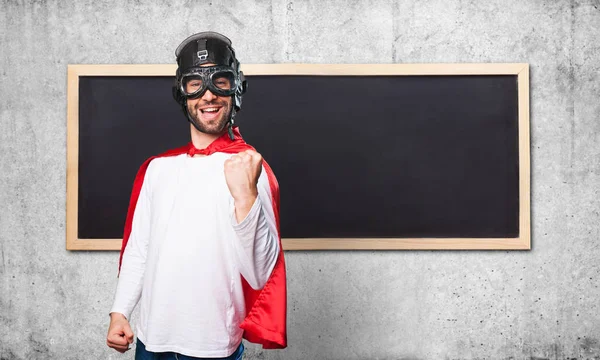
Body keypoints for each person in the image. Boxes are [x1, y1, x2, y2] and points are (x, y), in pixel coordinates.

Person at [106, 31, 287, 359]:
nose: (208, 95)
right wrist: (120, 311)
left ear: (236, 89)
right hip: (150, 341)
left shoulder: (249, 168)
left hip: (212, 347)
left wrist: (246, 197)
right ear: (182, 93)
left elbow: (262, 273)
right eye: (195, 84)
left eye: (220, 81)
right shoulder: (158, 169)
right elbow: (139, 249)